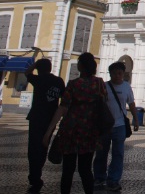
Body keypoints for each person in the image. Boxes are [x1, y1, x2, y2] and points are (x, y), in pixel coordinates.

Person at [43, 52, 107, 194]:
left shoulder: (74, 84)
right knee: (86, 169)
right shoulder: (99, 84)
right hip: (90, 131)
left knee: (68, 170)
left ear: (80, 66)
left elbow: (62, 108)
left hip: (71, 130)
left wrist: (49, 131)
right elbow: (104, 104)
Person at [94, 61, 139, 192]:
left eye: (120, 73)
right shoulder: (104, 86)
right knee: (101, 152)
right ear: (110, 74)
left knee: (118, 153)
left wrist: (136, 120)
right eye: (114, 73)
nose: (117, 76)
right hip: (105, 126)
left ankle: (113, 179)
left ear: (123, 74)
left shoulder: (126, 87)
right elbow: (99, 104)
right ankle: (99, 177)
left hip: (120, 126)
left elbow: (131, 104)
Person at [25, 58, 66, 193]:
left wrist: (35, 64)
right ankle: (37, 174)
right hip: (50, 119)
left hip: (36, 118)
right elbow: (64, 100)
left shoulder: (38, 79)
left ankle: (35, 177)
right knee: (43, 146)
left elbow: (27, 72)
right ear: (50, 68)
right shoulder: (59, 81)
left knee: (33, 148)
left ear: (39, 69)